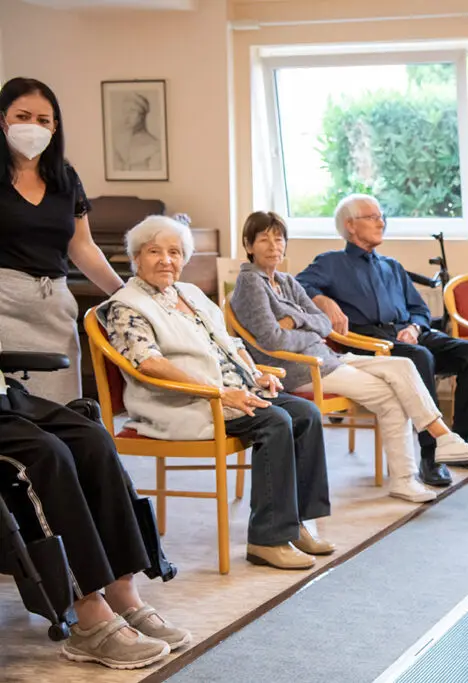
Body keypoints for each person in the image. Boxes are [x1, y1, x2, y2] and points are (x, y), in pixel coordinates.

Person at [96, 215, 335, 571]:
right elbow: (149, 364)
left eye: (175, 252)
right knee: (274, 420)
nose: (166, 260)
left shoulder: (188, 294)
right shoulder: (125, 306)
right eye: (154, 251)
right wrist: (220, 392)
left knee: (306, 414)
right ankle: (266, 539)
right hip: (183, 400)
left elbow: (230, 342)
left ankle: (295, 523)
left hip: (230, 390)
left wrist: (255, 374)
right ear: (136, 258)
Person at [230, 211, 468, 503]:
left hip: (328, 358)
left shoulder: (285, 281)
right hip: (302, 369)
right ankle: (413, 471)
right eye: (263, 239)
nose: (273, 246)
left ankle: (441, 441)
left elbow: (321, 322)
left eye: (278, 238)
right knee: (390, 394)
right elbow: (272, 338)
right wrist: (304, 323)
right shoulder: (251, 283)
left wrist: (295, 321)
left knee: (404, 365)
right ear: (248, 244)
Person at [1, 339, 189, 670]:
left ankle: (122, 590)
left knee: (92, 439)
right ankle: (87, 612)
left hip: (5, 398)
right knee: (45, 454)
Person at [296, 194, 468, 488]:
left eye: (382, 217)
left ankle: (460, 442)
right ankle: (431, 454)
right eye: (373, 217)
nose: (381, 222)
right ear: (350, 226)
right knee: (420, 358)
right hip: (369, 340)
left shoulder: (391, 266)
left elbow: (420, 309)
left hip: (408, 334)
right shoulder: (330, 263)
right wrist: (323, 299)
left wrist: (415, 328)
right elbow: (298, 286)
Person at [0, 77, 124, 404]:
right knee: (15, 421)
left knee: (63, 415)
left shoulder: (65, 178)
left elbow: (82, 247)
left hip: (54, 307)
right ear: (2, 119)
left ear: (55, 127)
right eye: (22, 117)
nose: (33, 126)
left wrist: (124, 293)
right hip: (4, 307)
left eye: (43, 120)